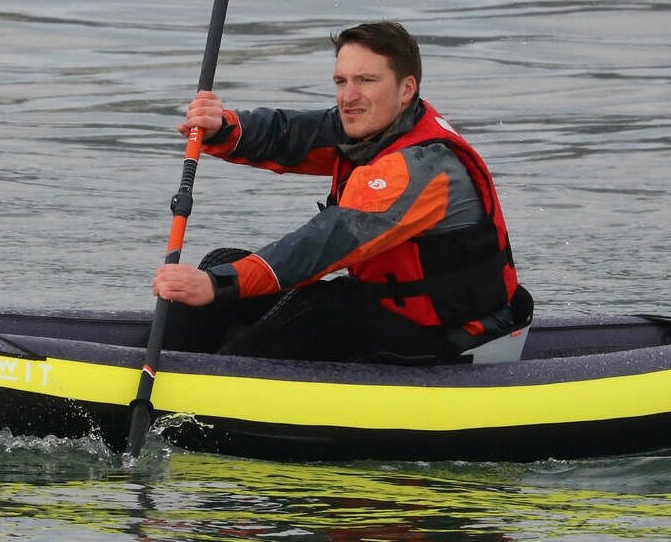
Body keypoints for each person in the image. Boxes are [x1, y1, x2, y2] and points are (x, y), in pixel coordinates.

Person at [152, 21, 531, 364]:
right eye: (341, 81)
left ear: (406, 89)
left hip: (457, 339)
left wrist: (218, 284)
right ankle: (159, 365)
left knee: (324, 305)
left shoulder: (421, 166)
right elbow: (291, 136)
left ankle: (211, 384)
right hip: (392, 311)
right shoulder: (376, 123)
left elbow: (325, 243)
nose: (349, 96)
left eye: (366, 81)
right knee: (223, 259)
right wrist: (222, 128)